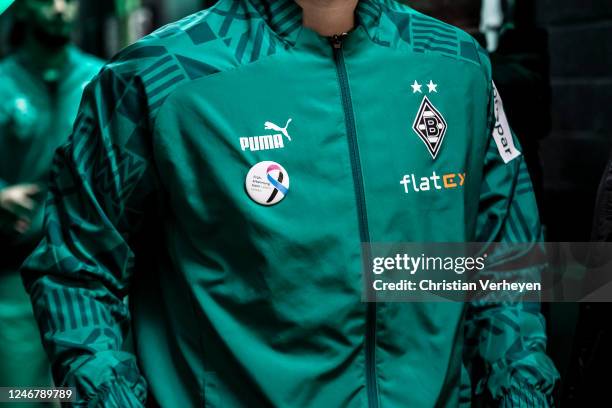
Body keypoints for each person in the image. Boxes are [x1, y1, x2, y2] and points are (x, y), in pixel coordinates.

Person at [20, 0, 559, 406]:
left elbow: (505, 262)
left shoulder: (458, 67)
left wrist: (522, 389)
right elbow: (77, 270)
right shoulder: (161, 79)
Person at [0, 0, 102, 396]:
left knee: (90, 396)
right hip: (16, 277)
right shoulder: (4, 83)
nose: (60, 9)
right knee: (21, 394)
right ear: (22, 9)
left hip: (90, 280)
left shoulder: (99, 78)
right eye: (46, 0)